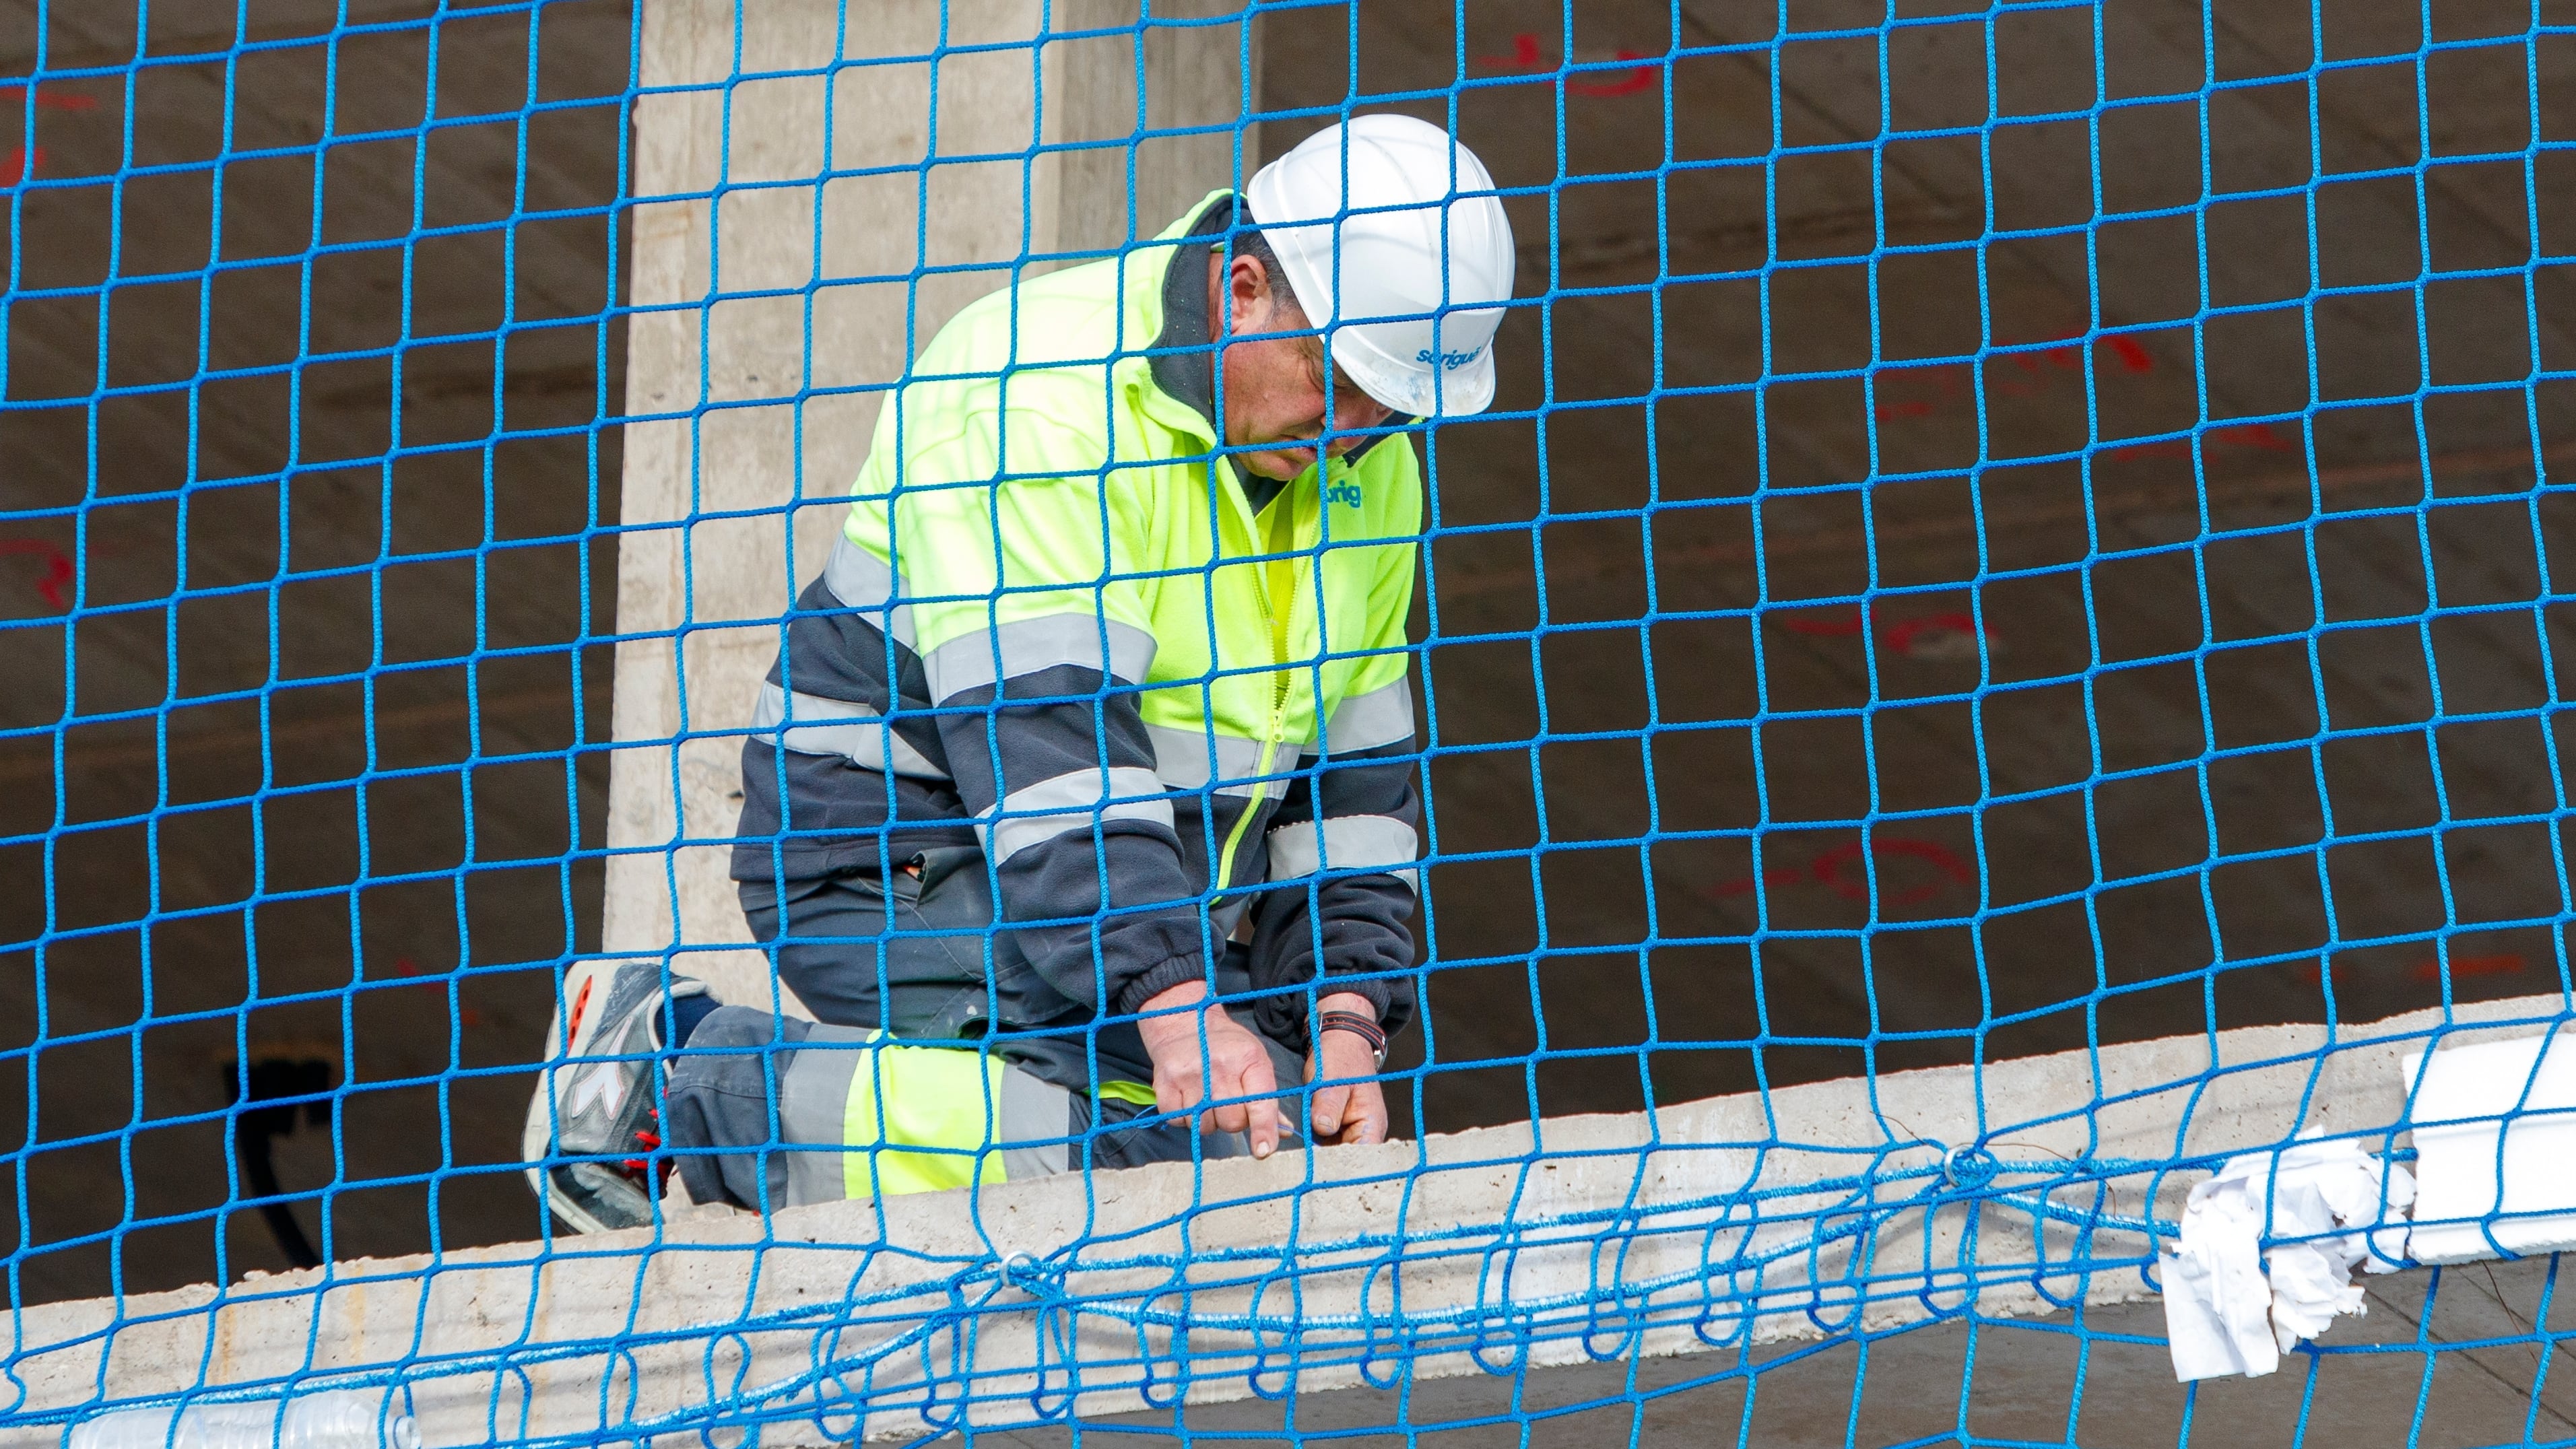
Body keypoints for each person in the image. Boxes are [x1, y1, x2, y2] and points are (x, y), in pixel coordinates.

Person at [523, 114, 1515, 1232]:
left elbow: (1355, 785)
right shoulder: (1039, 398)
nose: (1358, 428)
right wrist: (1179, 1006)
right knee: (1151, 1159)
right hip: (897, 858)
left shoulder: (1363, 467)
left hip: (1121, 876)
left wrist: (1343, 1013)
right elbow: (1052, 752)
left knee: (1263, 1136)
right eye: (1337, 378)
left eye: (1391, 405)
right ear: (1241, 289)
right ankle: (675, 1088)